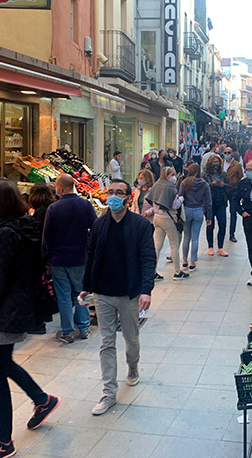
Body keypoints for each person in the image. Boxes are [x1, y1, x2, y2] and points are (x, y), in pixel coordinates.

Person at [0, 181, 58, 458]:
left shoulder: (2, 234)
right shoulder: (25, 227)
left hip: (3, 313)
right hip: (18, 308)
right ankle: (42, 400)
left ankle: (3, 440)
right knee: (2, 364)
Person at [80, 178, 156, 416]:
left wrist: (146, 290)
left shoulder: (141, 226)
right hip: (103, 292)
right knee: (106, 342)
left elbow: (147, 258)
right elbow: (91, 256)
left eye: (119, 192)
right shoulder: (100, 224)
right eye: (110, 191)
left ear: (128, 197)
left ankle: (132, 366)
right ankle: (109, 393)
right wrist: (86, 286)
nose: (113, 196)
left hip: (129, 293)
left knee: (132, 339)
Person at [42, 174, 97, 344]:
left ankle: (67, 330)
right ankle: (84, 327)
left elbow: (47, 237)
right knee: (81, 292)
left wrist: (44, 259)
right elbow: (95, 229)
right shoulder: (85, 205)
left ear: (60, 188)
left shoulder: (54, 209)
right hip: (80, 258)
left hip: (58, 259)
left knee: (64, 296)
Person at [145, 166, 189, 280]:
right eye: (172, 175)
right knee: (174, 244)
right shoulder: (170, 188)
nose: (174, 177)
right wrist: (181, 200)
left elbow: (152, 201)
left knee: (157, 246)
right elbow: (174, 205)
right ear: (167, 175)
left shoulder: (156, 185)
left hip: (156, 218)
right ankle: (177, 272)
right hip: (168, 219)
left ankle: (152, 271)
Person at [27, 185, 57, 335]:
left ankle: (38, 322)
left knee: (39, 289)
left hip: (40, 257)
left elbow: (39, 236)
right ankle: (43, 318)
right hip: (46, 256)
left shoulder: (40, 213)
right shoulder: (50, 209)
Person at [178, 163, 212, 270]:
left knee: (186, 237)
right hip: (198, 210)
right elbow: (208, 202)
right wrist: (209, 217)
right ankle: (192, 262)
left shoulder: (185, 182)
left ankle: (184, 260)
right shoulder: (205, 184)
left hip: (187, 210)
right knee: (195, 237)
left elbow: (180, 196)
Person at [203, 154, 229, 256]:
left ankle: (220, 247)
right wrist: (212, 184)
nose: (216, 164)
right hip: (210, 203)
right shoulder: (205, 174)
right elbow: (204, 186)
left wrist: (223, 185)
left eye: (217, 162)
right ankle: (210, 246)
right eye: (214, 162)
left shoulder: (223, 173)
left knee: (222, 224)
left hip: (221, 202)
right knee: (210, 225)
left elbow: (228, 185)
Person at [223, 146, 244, 243]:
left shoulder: (237, 165)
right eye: (225, 153)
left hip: (233, 190)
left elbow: (241, 178)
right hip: (222, 190)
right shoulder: (220, 163)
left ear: (232, 153)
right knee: (221, 212)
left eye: (229, 153)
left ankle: (232, 233)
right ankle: (222, 232)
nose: (227, 154)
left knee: (233, 212)